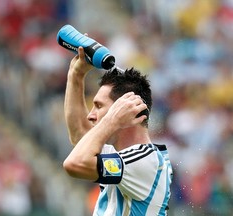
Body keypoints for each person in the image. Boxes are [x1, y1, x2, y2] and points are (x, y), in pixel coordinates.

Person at [63, 46, 173, 216]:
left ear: (124, 110)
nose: (91, 116)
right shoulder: (122, 154)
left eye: (98, 106)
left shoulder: (145, 160)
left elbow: (74, 164)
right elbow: (80, 136)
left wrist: (110, 121)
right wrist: (75, 75)